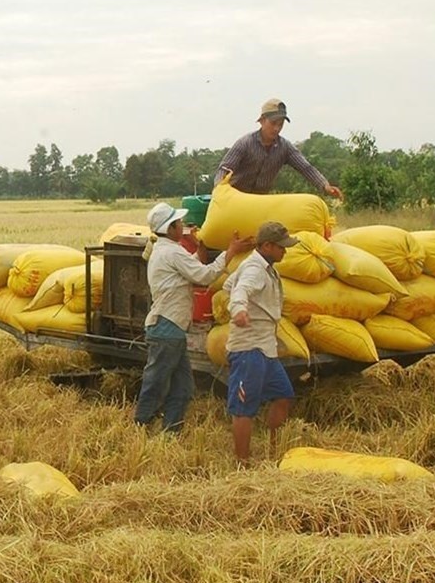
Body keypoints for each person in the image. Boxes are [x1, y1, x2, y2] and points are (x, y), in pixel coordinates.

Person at [135, 202, 252, 432]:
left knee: (183, 387)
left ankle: (171, 432)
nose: (184, 227)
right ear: (170, 229)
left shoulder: (164, 249)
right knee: (157, 382)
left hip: (171, 328)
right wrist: (230, 252)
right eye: (179, 224)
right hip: (167, 327)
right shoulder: (171, 251)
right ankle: (140, 425)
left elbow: (187, 267)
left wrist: (199, 252)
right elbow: (205, 276)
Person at [224, 221, 300, 464]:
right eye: (281, 247)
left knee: (284, 396)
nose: (285, 251)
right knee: (244, 407)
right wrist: (239, 309)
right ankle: (242, 462)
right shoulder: (255, 269)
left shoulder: (263, 266)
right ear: (267, 245)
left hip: (265, 347)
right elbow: (239, 291)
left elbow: (229, 284)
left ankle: (274, 449)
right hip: (249, 348)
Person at [215, 98, 343, 199]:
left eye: (280, 124)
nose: (277, 128)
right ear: (262, 121)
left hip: (259, 202)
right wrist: (219, 190)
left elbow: (306, 168)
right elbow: (225, 169)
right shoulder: (245, 143)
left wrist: (325, 185)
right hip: (234, 199)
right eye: (273, 123)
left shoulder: (285, 147)